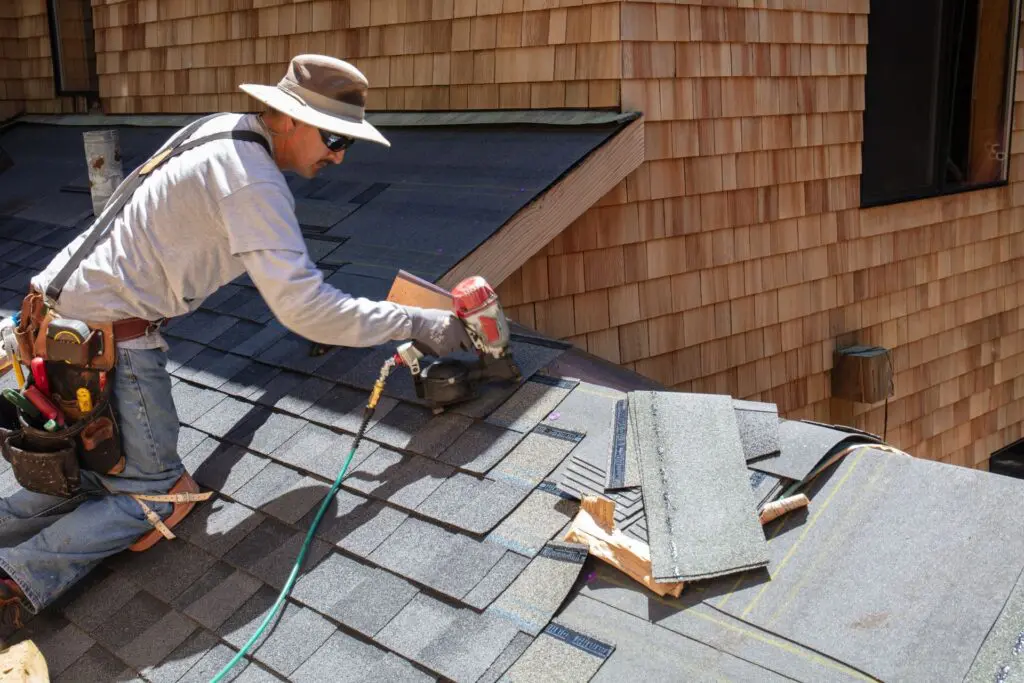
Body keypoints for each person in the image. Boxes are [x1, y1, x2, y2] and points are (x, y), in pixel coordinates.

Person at [0, 54, 471, 639]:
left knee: (88, 476)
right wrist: (420, 323)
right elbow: (306, 309)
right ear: (287, 118)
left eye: (346, 142)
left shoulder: (222, 129)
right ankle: (15, 575)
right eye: (332, 138)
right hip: (105, 339)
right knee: (156, 496)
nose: (338, 156)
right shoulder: (252, 180)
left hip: (54, 321)